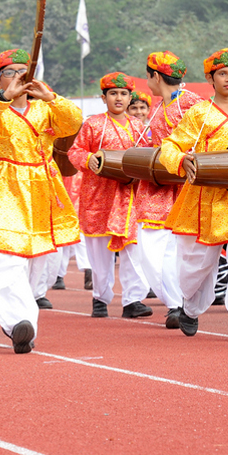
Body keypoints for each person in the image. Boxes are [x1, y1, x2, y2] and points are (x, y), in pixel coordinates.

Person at [0, 49, 82, 352]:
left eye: (25, 70)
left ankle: (25, 326)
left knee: (38, 263)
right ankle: (17, 322)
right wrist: (4, 97)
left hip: (42, 188)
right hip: (5, 187)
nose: (20, 75)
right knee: (5, 258)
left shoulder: (45, 109)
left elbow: (72, 123)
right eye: (11, 71)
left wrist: (50, 97)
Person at [159, 49, 228, 340]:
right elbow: (170, 147)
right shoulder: (199, 113)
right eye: (222, 74)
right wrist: (182, 161)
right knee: (196, 265)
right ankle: (191, 307)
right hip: (204, 197)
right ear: (210, 77)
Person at [67, 72, 150, 318]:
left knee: (133, 250)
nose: (118, 98)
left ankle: (133, 300)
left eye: (124, 93)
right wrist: (88, 158)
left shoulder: (138, 126)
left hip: (129, 197)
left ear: (129, 97)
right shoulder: (93, 124)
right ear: (104, 98)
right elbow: (75, 151)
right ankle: (100, 298)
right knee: (99, 253)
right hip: (98, 197)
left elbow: (147, 155)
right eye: (113, 93)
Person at [133, 51, 202, 327]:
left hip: (186, 183)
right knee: (150, 249)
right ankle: (176, 302)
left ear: (155, 76)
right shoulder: (159, 107)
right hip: (159, 185)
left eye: (147, 75)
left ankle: (180, 304)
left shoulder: (191, 102)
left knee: (180, 250)